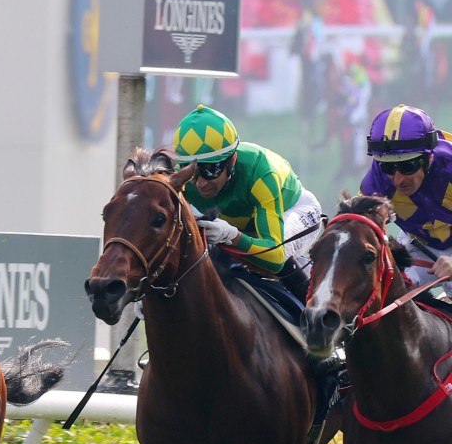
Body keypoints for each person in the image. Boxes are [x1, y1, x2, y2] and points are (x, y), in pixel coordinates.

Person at [171, 104, 324, 303]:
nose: (201, 183)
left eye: (211, 170)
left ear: (232, 159)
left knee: (275, 260)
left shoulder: (261, 173)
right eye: (192, 171)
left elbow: (274, 257)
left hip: (294, 212)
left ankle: (318, 320)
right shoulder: (183, 182)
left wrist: (231, 235)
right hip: (243, 226)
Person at [359, 104, 452, 287]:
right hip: (420, 243)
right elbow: (356, 230)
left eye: (407, 166)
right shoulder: (375, 183)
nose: (398, 179)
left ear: (429, 158)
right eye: (388, 167)